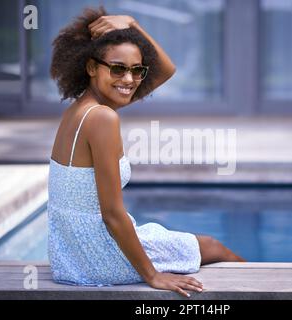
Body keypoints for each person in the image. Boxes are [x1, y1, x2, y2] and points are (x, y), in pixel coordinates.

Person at [48, 7, 245, 298]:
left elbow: (166, 70)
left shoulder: (82, 108)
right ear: (91, 67)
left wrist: (132, 23)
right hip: (97, 258)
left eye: (136, 70)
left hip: (69, 257)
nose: (128, 79)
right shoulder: (102, 118)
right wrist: (152, 275)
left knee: (194, 243)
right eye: (117, 68)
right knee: (215, 247)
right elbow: (113, 214)